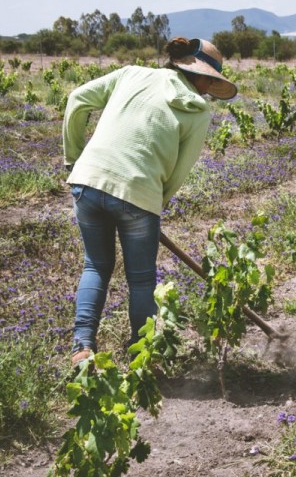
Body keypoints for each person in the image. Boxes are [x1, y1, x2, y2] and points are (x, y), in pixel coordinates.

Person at [62, 37, 237, 366]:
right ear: (197, 74)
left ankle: (82, 346)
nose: (210, 89)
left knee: (95, 265)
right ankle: (140, 354)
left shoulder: (130, 74)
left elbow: (77, 99)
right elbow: (178, 172)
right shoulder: (197, 111)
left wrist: (73, 159)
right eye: (210, 80)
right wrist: (153, 205)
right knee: (141, 278)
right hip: (139, 195)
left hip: (86, 181)